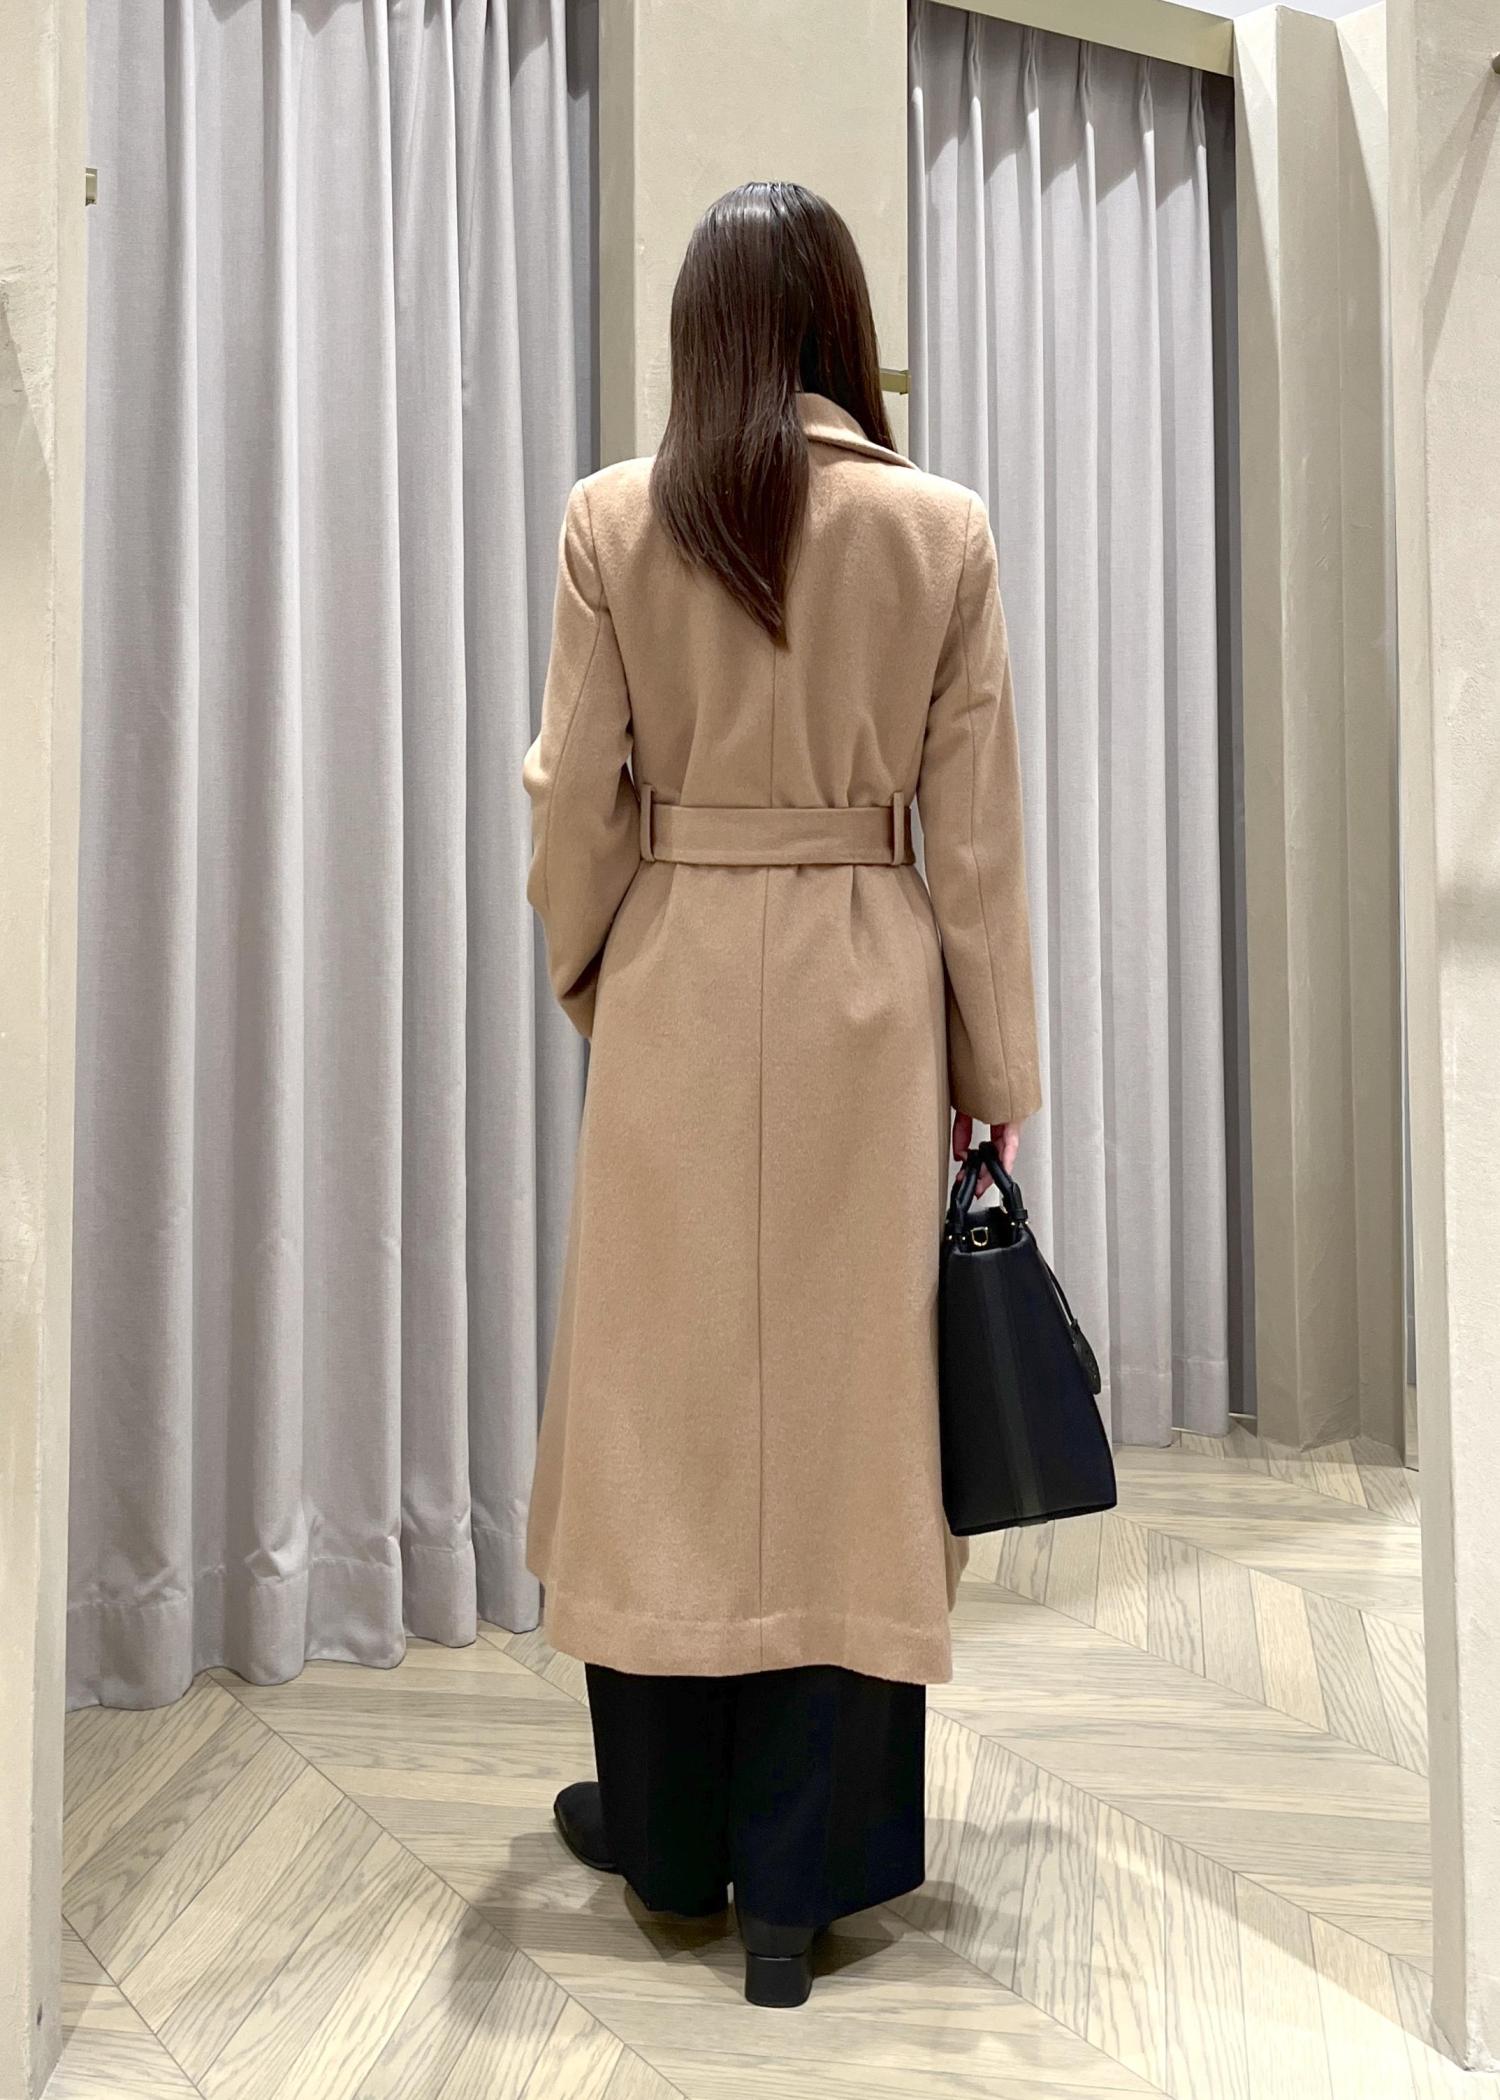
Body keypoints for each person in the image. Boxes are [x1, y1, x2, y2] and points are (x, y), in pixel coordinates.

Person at [521, 180, 1041, 2008]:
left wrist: (597, 972)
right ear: (840, 322)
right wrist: (993, 1069)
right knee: (847, 1424)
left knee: (659, 1411)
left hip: (677, 976)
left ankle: (670, 1838)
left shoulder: (614, 517)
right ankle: (803, 1879)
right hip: (866, 1000)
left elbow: (578, 800)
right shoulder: (940, 528)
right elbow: (974, 836)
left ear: (703, 334)